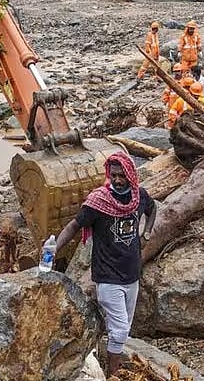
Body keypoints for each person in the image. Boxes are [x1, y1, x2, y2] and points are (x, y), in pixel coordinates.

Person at [51, 152, 156, 377]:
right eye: (113, 175)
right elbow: (73, 226)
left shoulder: (139, 196)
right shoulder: (99, 201)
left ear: (131, 176)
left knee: (124, 328)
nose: (117, 180)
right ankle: (113, 375)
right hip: (107, 277)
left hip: (132, 275)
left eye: (122, 176)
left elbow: (152, 209)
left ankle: (102, 358)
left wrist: (146, 232)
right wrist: (53, 250)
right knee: (119, 332)